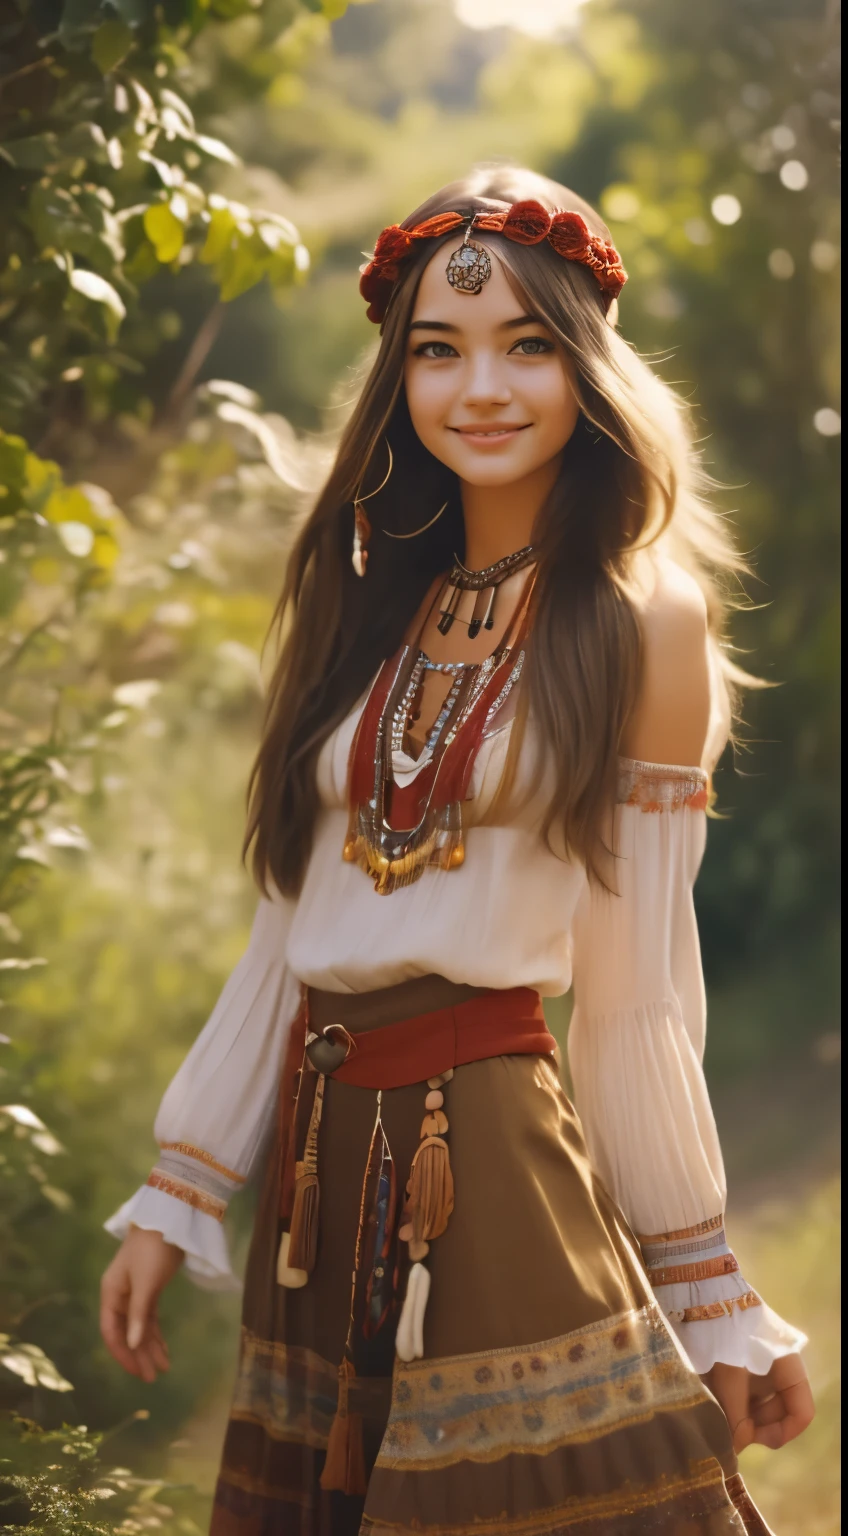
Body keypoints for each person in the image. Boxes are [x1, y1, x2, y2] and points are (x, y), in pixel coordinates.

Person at [101, 166, 813, 1535]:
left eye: (526, 345)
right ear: (398, 381)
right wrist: (181, 1183)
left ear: (586, 366)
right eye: (438, 351)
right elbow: (285, 931)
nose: (480, 386)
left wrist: (708, 1286)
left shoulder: (642, 620)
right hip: (318, 1172)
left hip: (486, 1146)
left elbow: (637, 993)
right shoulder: (363, 607)